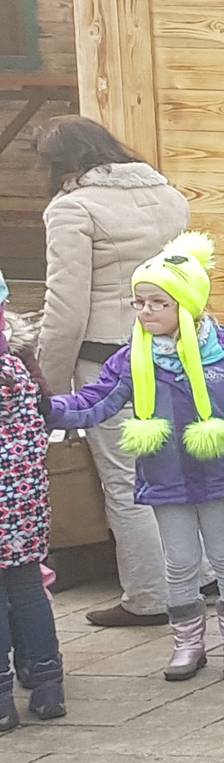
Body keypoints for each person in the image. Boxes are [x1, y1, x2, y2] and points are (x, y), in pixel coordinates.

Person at [46, 233, 224, 681]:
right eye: (139, 302)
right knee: (180, 561)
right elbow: (98, 399)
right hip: (165, 476)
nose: (145, 311)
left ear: (186, 306)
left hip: (222, 477)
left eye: (157, 303)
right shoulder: (132, 359)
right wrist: (49, 407)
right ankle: (187, 642)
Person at [33, 117, 184, 629]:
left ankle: (149, 596)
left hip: (107, 358)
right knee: (177, 470)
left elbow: (66, 307)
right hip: (173, 350)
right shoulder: (167, 194)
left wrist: (46, 386)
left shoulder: (72, 208)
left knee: (127, 482)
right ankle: (198, 577)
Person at [0, 294, 64, 728]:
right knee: (27, 594)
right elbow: (46, 410)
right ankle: (47, 687)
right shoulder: (20, 360)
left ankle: (2, 701)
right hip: (24, 502)